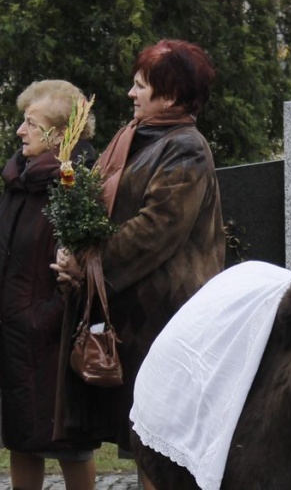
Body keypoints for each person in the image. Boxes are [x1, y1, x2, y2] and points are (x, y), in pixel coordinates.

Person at [52, 39, 225, 467]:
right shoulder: (136, 138)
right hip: (133, 314)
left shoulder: (186, 147)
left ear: (169, 95)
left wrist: (89, 262)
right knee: (143, 446)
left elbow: (156, 229)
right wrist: (72, 249)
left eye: (140, 86)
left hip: (165, 319)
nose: (131, 93)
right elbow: (96, 207)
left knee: (160, 450)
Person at [0, 80, 99, 490]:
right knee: (20, 437)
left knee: (70, 443)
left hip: (53, 336)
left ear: (57, 134)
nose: (20, 131)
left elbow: (84, 262)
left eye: (30, 123)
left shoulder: (74, 184)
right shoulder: (18, 180)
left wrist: (48, 315)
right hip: (14, 331)